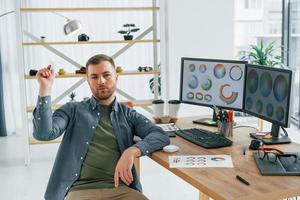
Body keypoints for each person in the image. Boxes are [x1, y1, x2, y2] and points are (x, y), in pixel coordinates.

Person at [33, 54, 170, 200]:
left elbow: (160, 135)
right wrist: (44, 89)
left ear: (116, 77)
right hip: (80, 192)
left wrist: (132, 151)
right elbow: (43, 134)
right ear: (88, 81)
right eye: (94, 77)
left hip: (121, 190)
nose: (101, 81)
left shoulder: (128, 115)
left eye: (106, 75)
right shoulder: (72, 110)